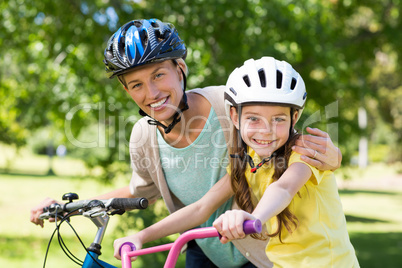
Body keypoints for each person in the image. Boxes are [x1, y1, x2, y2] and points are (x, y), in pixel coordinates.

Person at [30, 19, 342, 267]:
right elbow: (140, 192)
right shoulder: (142, 135)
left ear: (180, 69)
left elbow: (284, 139)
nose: (151, 93)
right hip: (203, 251)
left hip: (259, 253)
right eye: (136, 84)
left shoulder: (229, 104)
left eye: (158, 76)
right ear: (126, 91)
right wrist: (68, 208)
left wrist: (334, 156)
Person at [211, 57, 360, 267]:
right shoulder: (250, 161)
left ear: (295, 117)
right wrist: (148, 234)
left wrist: (256, 218)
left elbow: (284, 187)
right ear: (235, 116)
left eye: (279, 119)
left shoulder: (304, 151)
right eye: (254, 118)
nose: (266, 130)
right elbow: (201, 207)